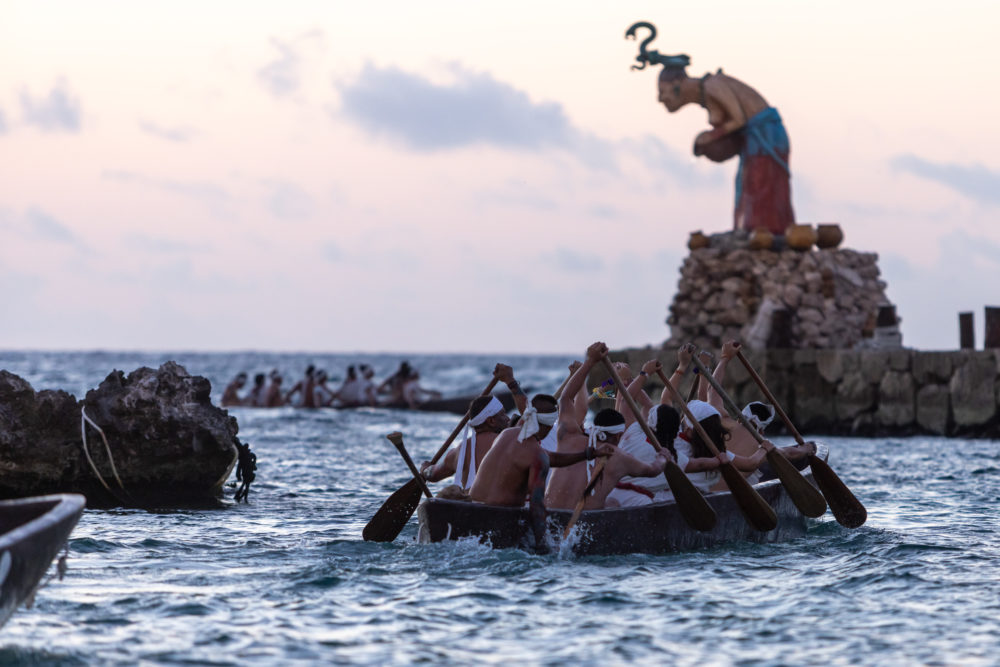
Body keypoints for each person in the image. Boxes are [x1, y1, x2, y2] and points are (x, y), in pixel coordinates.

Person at [651, 46, 794, 234]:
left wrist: (711, 136)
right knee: (749, 187)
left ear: (677, 83)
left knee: (761, 186)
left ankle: (768, 235)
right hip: (754, 141)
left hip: (766, 137)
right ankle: (755, 232)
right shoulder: (705, 95)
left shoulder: (712, 86)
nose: (660, 99)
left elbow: (739, 119)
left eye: (663, 91)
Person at [469, 393, 615, 553]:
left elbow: (549, 457)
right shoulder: (537, 456)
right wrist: (543, 546)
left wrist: (590, 454)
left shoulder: (505, 435)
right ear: (547, 426)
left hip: (472, 513)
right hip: (498, 523)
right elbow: (536, 506)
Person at [544, 342, 672, 511]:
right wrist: (663, 456)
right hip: (582, 528)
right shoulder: (620, 457)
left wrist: (590, 362)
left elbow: (565, 398)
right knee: (613, 504)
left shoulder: (567, 437)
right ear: (619, 436)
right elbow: (653, 470)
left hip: (549, 516)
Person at [705, 340, 817, 488]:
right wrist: (807, 449)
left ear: (740, 417)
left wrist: (725, 358)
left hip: (704, 489)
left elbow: (712, 389)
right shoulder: (762, 447)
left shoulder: (723, 422)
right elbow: (790, 454)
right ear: (762, 429)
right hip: (731, 494)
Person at [420, 364, 528, 492]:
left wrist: (424, 469)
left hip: (471, 504)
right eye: (503, 414)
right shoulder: (507, 442)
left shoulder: (459, 451)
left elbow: (432, 475)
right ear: (491, 421)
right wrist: (511, 382)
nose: (508, 419)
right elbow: (530, 416)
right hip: (501, 505)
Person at [675, 400, 766, 492]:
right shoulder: (719, 454)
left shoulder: (674, 446)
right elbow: (751, 464)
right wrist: (765, 448)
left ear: (688, 431)